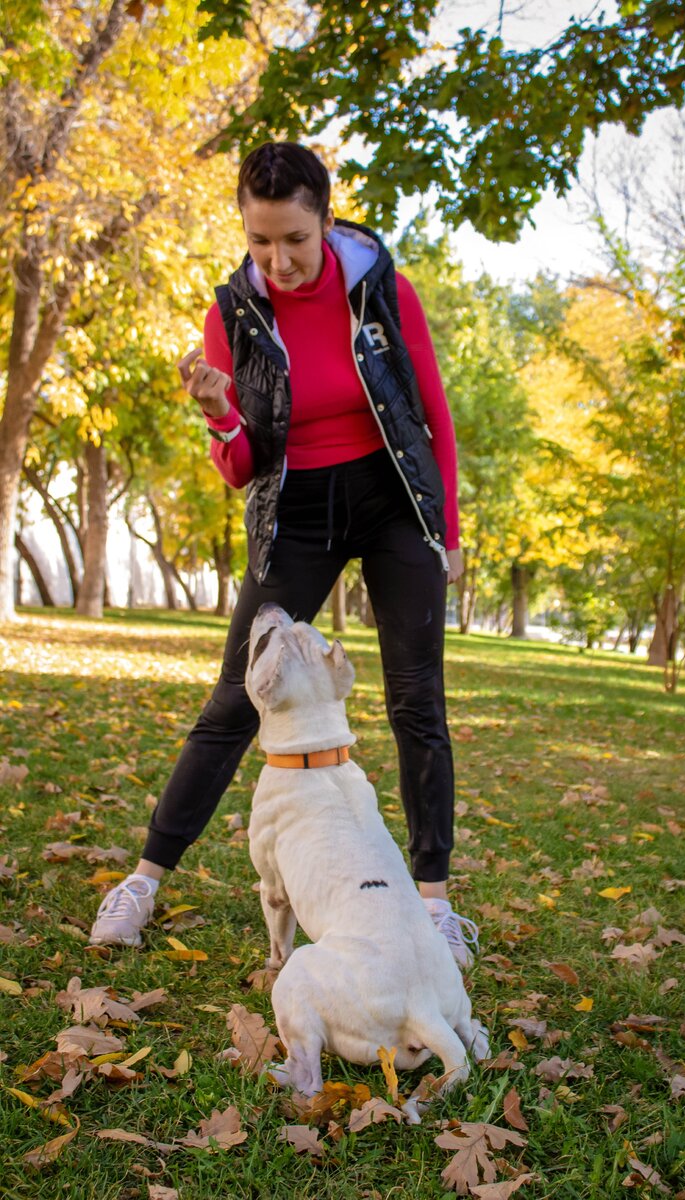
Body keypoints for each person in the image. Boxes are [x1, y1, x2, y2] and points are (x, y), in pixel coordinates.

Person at [89, 142, 479, 967]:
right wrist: (219, 416)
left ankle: (434, 902)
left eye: (295, 239)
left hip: (392, 501)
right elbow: (239, 469)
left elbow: (431, 414)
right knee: (235, 700)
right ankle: (145, 879)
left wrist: (444, 531)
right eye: (261, 241)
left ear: (325, 221)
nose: (280, 260)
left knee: (417, 699)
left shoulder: (381, 291)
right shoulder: (232, 315)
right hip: (295, 515)